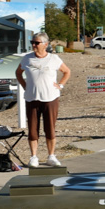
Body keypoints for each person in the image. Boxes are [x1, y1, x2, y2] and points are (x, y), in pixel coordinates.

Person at [16, 32, 71, 168]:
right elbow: (18, 73)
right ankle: (33, 156)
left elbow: (67, 71)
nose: (34, 45)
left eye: (36, 43)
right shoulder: (27, 59)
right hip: (32, 98)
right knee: (33, 129)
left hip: (50, 98)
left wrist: (61, 85)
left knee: (50, 128)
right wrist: (25, 85)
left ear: (45, 44)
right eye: (32, 43)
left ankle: (51, 156)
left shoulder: (54, 59)